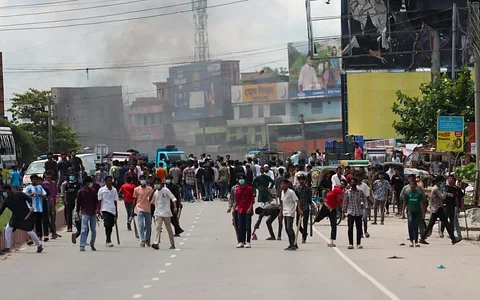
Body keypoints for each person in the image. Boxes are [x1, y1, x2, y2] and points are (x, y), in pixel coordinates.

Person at [0, 184, 43, 254]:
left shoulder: (19, 194)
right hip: (15, 217)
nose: (5, 193)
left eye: (5, 191)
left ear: (9, 189)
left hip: (25, 216)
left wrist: (31, 207)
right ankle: (8, 247)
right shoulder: (6, 201)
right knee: (8, 229)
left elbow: (29, 199)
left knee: (29, 230)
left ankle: (39, 245)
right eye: (3, 191)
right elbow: (1, 211)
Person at [420, 176, 462, 245]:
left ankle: (422, 237)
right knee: (446, 223)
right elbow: (443, 197)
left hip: (436, 208)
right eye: (442, 181)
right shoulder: (436, 189)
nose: (442, 183)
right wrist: (444, 190)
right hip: (437, 208)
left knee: (431, 224)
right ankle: (453, 239)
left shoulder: (437, 188)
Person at [315, 179, 346, 247]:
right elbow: (339, 194)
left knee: (334, 225)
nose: (341, 185)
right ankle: (314, 220)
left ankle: (331, 241)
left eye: (343, 184)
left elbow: (340, 203)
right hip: (325, 208)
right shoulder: (337, 189)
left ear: (344, 186)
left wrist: (342, 211)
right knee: (317, 219)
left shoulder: (342, 193)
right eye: (341, 183)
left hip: (332, 210)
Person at [151, 177, 177, 250]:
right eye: (155, 183)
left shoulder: (166, 190)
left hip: (166, 213)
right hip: (158, 213)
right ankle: (156, 243)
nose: (157, 185)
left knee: (169, 229)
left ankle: (172, 244)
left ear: (161, 183)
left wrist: (175, 207)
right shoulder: (155, 192)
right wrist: (153, 191)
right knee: (157, 228)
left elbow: (173, 198)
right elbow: (150, 200)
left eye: (158, 183)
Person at [401, 179, 427, 247]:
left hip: (417, 211)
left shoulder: (418, 194)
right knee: (410, 224)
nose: (412, 186)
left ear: (415, 186)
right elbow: (405, 202)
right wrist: (403, 212)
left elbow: (421, 203)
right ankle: (411, 240)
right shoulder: (407, 193)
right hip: (410, 211)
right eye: (410, 184)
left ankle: (416, 240)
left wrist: (423, 212)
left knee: (415, 226)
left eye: (413, 184)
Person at [23, 174, 48, 243]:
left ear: (37, 180)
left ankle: (39, 236)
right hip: (31, 208)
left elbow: (45, 196)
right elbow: (23, 194)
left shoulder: (40, 187)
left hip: (39, 208)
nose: (34, 181)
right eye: (33, 179)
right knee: (31, 223)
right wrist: (30, 195)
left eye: (35, 179)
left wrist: (41, 195)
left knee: (38, 223)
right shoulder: (29, 187)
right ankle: (30, 238)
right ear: (31, 180)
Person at [76, 176, 99, 251]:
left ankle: (92, 243)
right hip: (84, 212)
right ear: (86, 183)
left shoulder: (93, 191)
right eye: (90, 182)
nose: (91, 184)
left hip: (93, 212)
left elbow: (96, 202)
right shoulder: (80, 192)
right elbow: (78, 204)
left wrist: (97, 209)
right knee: (84, 229)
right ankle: (82, 245)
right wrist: (78, 215)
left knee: (94, 230)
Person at [343, 177, 365, 249]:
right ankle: (350, 243)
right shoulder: (347, 192)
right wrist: (344, 211)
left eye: (354, 182)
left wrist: (363, 204)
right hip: (350, 212)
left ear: (356, 183)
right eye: (351, 182)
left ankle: (358, 243)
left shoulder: (360, 192)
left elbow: (364, 200)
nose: (353, 184)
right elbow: (345, 202)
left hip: (358, 212)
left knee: (359, 228)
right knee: (350, 228)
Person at [234, 174, 255, 249]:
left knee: (247, 226)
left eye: (242, 179)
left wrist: (250, 208)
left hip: (247, 210)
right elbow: (236, 200)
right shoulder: (237, 189)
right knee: (240, 226)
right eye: (240, 179)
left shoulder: (249, 188)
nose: (241, 180)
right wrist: (234, 208)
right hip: (240, 209)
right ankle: (241, 241)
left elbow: (252, 200)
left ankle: (248, 241)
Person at [133, 175, 154, 247]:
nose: (143, 180)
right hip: (139, 208)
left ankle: (147, 239)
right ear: (139, 180)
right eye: (142, 179)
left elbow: (152, 198)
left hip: (148, 208)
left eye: (144, 179)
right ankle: (142, 239)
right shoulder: (136, 189)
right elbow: (134, 199)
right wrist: (132, 210)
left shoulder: (150, 189)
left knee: (148, 225)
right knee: (141, 224)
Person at [278, 179, 300, 250]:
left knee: (289, 228)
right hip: (285, 212)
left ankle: (294, 243)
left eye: (284, 184)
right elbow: (282, 203)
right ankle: (291, 244)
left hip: (290, 212)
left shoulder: (291, 192)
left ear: (287, 184)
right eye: (281, 184)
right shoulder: (282, 192)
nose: (283, 185)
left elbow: (297, 200)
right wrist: (280, 213)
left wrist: (299, 209)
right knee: (287, 229)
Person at [98, 176, 118, 247]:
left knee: (111, 226)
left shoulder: (114, 190)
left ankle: (108, 238)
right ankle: (108, 240)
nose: (110, 182)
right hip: (105, 209)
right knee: (107, 224)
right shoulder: (101, 190)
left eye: (110, 180)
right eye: (108, 181)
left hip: (112, 209)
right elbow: (99, 201)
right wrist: (98, 210)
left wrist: (116, 211)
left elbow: (115, 201)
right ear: (105, 182)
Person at [42, 170, 59, 239]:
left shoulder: (54, 183)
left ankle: (54, 233)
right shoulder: (43, 184)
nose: (48, 176)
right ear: (45, 175)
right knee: (46, 219)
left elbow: (56, 192)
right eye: (47, 174)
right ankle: (47, 233)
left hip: (53, 202)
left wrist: (57, 198)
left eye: (50, 175)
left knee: (53, 218)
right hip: (46, 202)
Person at [294, 174, 311, 244]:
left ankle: (304, 238)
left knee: (305, 223)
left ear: (305, 180)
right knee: (297, 223)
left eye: (302, 179)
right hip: (299, 207)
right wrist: (298, 207)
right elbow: (296, 199)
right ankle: (304, 232)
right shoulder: (297, 189)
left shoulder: (308, 189)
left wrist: (311, 207)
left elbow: (309, 199)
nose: (301, 181)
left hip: (306, 207)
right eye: (300, 179)